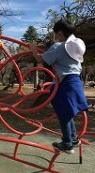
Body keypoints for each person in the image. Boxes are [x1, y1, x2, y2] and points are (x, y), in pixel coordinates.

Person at [30, 19, 89, 154]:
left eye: (55, 34)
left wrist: (33, 49)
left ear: (60, 34)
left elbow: (40, 59)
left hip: (64, 83)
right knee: (68, 112)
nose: (55, 36)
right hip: (75, 82)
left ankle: (67, 144)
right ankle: (73, 139)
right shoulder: (75, 46)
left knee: (63, 113)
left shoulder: (59, 46)